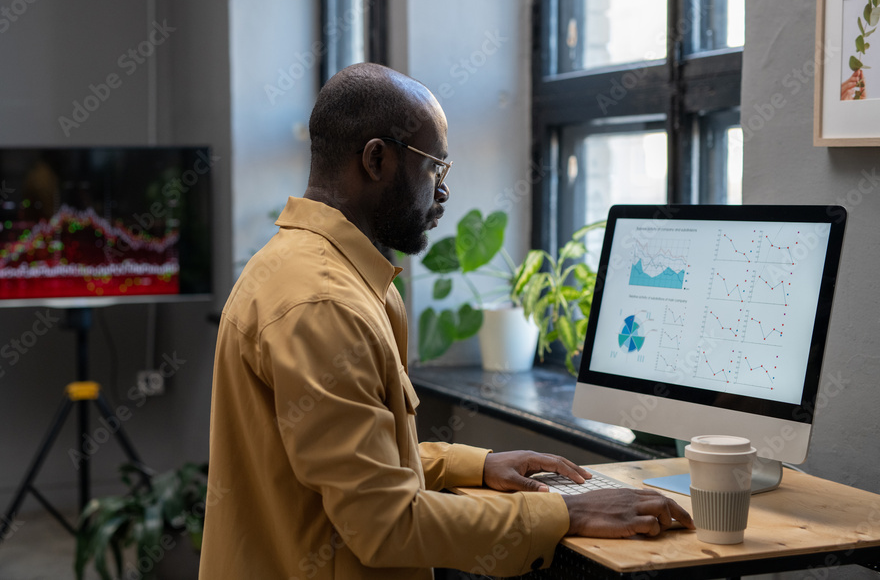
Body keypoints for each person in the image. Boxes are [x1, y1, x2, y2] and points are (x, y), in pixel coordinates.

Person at [198, 63, 692, 579]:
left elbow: (354, 464)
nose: (443, 192)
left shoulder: (311, 268)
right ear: (376, 159)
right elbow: (384, 523)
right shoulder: (327, 305)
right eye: (436, 166)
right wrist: (568, 511)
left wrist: (474, 466)